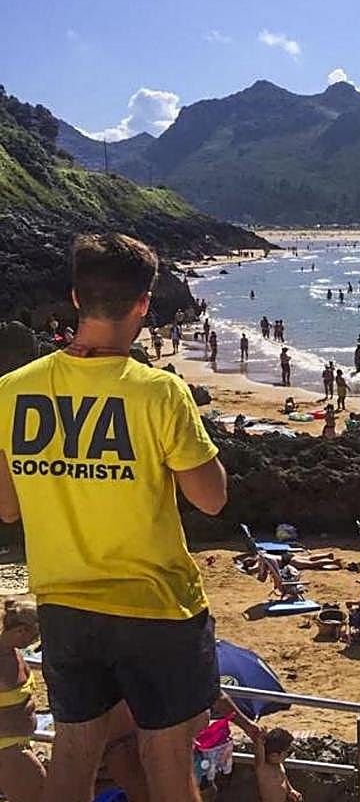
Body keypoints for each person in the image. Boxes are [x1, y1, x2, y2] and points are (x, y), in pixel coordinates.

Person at [0, 233, 227, 802]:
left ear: (76, 298)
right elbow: (211, 498)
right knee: (166, 758)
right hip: (155, 602)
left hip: (65, 601)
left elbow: (6, 507)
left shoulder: (11, 391)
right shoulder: (159, 393)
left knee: (74, 751)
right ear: (144, 304)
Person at [0, 598, 44, 802]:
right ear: (20, 631)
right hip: (8, 748)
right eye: (35, 636)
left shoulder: (14, 653)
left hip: (19, 744)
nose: (35, 642)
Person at [254, 727, 301, 802]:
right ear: (274, 755)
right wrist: (260, 742)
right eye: (287, 753)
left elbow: (283, 778)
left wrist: (291, 790)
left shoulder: (279, 764)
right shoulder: (263, 768)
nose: (287, 756)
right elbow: (259, 755)